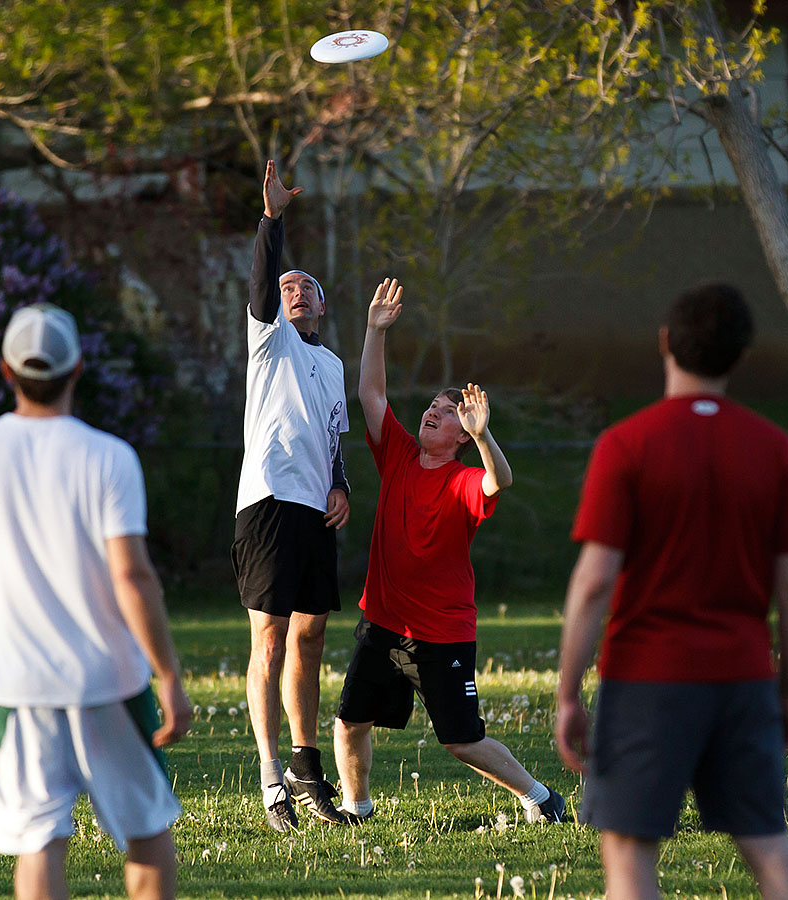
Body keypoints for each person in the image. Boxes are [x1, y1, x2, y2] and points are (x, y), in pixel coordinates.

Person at [555, 283, 788, 900]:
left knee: (627, 846)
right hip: (743, 678)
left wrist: (569, 692)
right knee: (766, 840)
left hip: (648, 680)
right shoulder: (776, 449)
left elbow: (594, 583)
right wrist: (786, 691)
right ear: (740, 357)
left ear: (666, 344)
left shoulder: (627, 445)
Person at [0, 302, 191, 900]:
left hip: (23, 688)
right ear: (78, 370)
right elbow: (132, 576)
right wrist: (169, 675)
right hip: (112, 682)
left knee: (40, 840)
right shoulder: (109, 456)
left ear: (5, 371)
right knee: (146, 831)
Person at [333, 277, 567, 825]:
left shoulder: (465, 477)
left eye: (445, 413)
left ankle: (540, 798)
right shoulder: (397, 454)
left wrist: (484, 437)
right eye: (431, 408)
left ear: (461, 434)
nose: (430, 414)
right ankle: (356, 806)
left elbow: (498, 482)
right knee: (350, 721)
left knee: (461, 741)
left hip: (442, 633)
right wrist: (374, 330)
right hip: (385, 622)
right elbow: (371, 395)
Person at [232, 160, 351, 831]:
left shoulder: (331, 364)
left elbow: (335, 438)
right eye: (287, 286)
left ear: (323, 305)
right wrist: (272, 220)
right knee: (270, 641)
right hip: (268, 504)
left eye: (307, 286)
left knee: (308, 642)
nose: (295, 290)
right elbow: (261, 276)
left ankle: (310, 775)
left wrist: (341, 483)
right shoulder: (268, 340)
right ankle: (271, 781)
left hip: (313, 509)